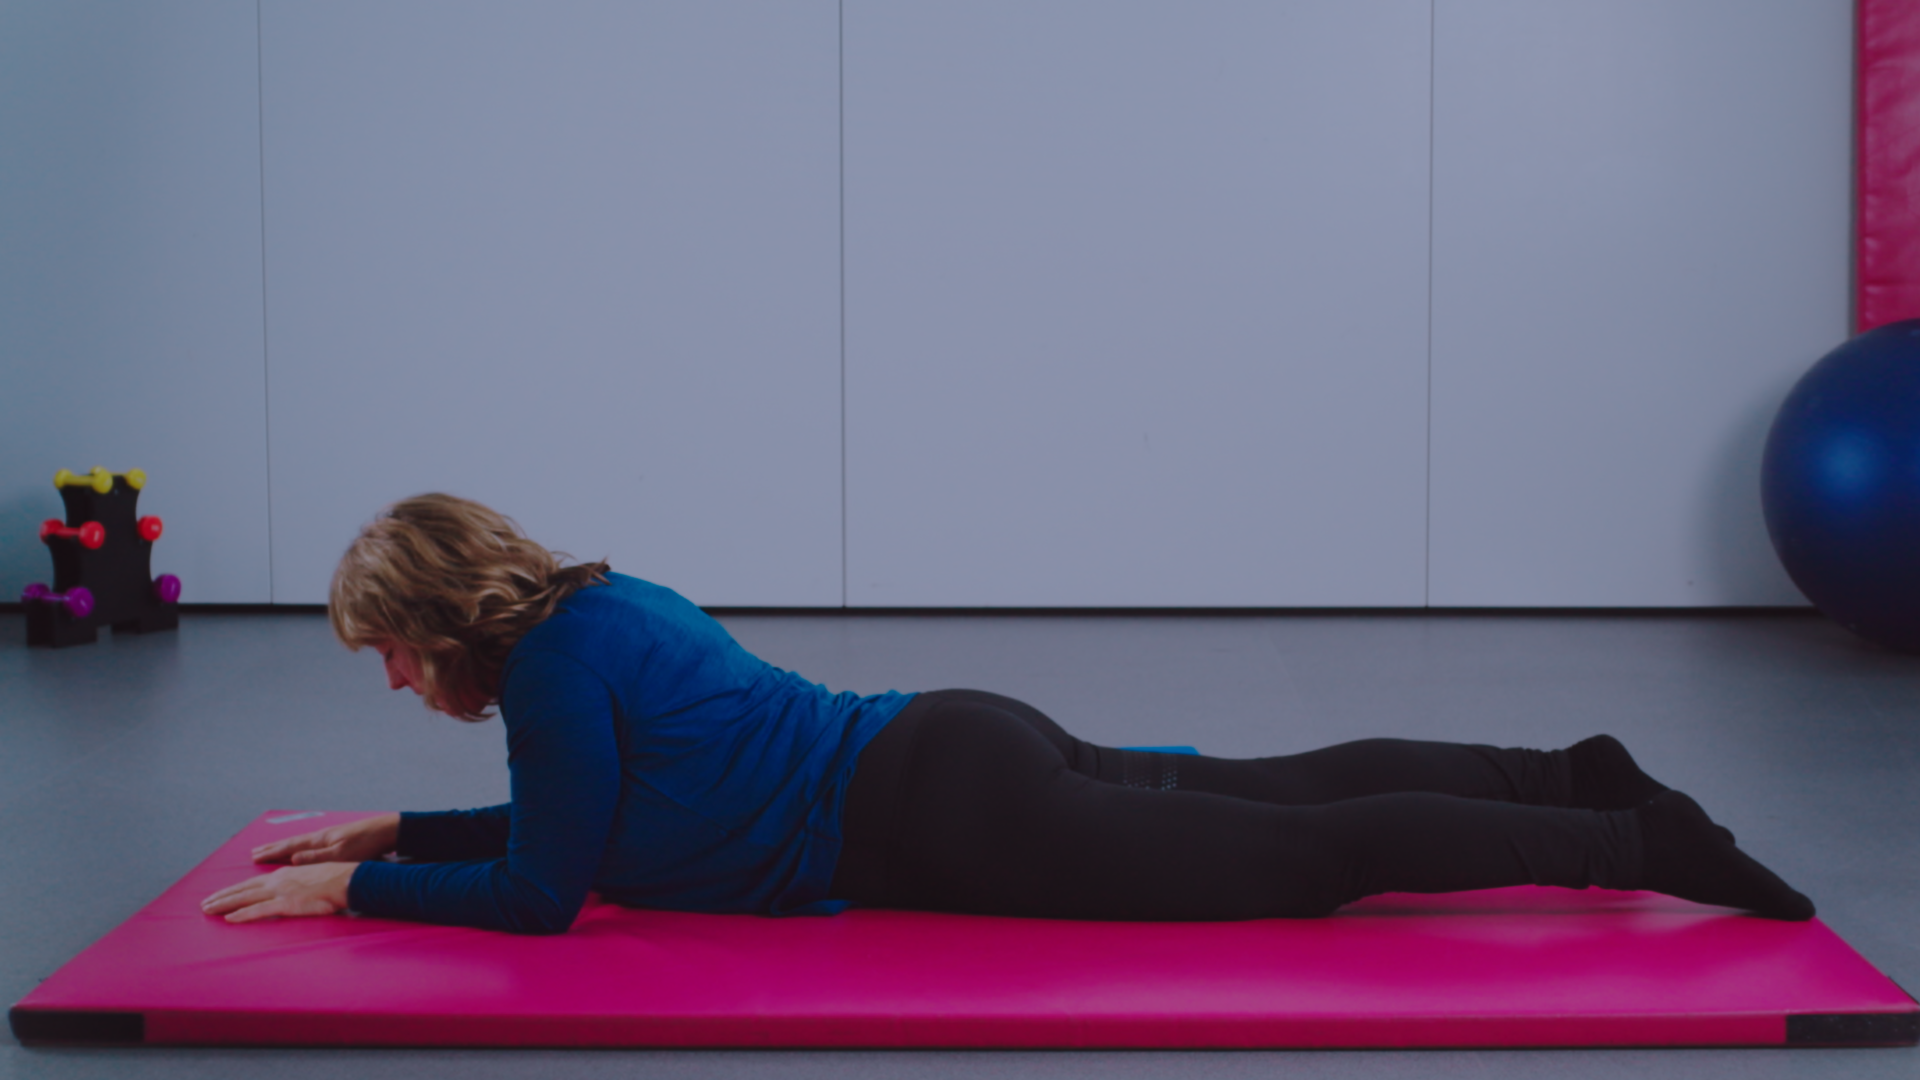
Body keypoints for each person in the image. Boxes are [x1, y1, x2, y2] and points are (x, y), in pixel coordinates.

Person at [201, 494, 1816, 932]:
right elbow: (598, 819)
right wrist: (401, 826)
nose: (394, 682)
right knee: (1277, 785)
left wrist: (360, 890)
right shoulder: (601, 609)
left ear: (438, 620)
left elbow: (549, 889)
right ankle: (1569, 769)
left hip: (949, 813)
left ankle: (1635, 839)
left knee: (1303, 860)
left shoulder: (552, 677)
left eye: (388, 652)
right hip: (950, 741)